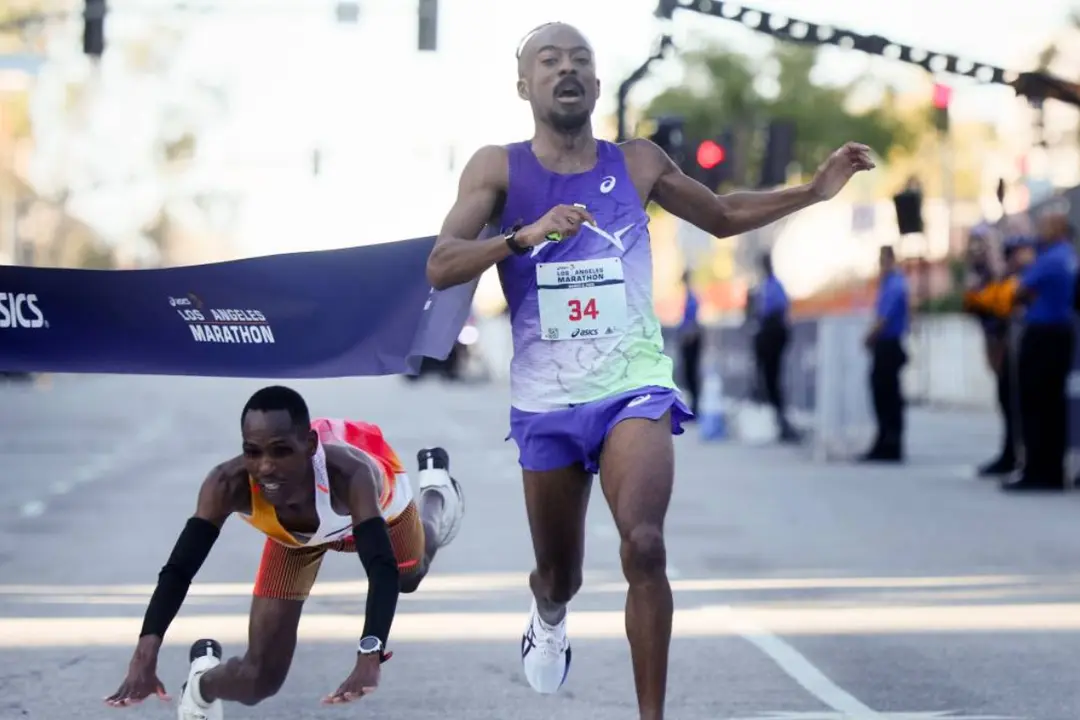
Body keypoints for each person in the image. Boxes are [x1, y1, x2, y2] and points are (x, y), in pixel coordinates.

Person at [424, 21, 873, 719]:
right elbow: (441, 260)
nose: (566, 69)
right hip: (547, 401)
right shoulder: (497, 169)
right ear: (525, 85)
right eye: (549, 60)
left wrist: (813, 192)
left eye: (580, 60)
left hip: (633, 384)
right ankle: (548, 613)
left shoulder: (635, 163)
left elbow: (722, 215)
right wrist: (522, 236)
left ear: (597, 83)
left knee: (645, 544)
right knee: (560, 574)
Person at [103, 385, 465, 719]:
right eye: (253, 452)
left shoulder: (350, 474)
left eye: (281, 451)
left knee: (409, 577)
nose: (265, 468)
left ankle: (435, 492)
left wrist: (370, 655)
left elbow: (380, 567)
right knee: (260, 679)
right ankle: (200, 686)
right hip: (294, 540)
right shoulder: (226, 484)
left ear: (309, 446)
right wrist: (144, 655)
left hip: (380, 514)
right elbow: (179, 570)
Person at [1007, 209, 1077, 491]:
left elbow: (1019, 291)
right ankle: (1052, 469)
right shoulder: (1068, 255)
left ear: (1057, 228)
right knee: (1053, 407)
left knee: (1036, 405)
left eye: (1044, 225)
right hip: (1060, 334)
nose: (1039, 231)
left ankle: (1038, 471)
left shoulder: (1051, 259)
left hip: (1044, 336)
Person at [860, 245, 909, 462]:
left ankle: (890, 443)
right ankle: (885, 440)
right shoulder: (888, 284)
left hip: (889, 344)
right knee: (883, 395)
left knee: (888, 396)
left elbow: (884, 319)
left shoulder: (895, 284)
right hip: (886, 344)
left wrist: (869, 337)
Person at [751, 251, 799, 442]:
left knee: (773, 378)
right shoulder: (764, 287)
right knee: (766, 378)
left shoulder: (774, 286)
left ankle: (781, 420)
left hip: (772, 334)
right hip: (766, 334)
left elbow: (778, 311)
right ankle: (775, 419)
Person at [676, 270, 702, 417]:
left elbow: (691, 322)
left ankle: (695, 407)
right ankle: (694, 406)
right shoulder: (689, 297)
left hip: (691, 340)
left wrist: (687, 336)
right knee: (689, 374)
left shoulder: (691, 298)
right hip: (688, 339)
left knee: (691, 374)